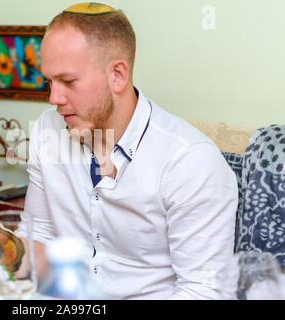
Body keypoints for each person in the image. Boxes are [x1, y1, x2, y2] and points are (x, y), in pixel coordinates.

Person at [20, 3, 238, 299]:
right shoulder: (48, 129)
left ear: (118, 75)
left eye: (68, 82)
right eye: (49, 81)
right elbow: (40, 235)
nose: (54, 98)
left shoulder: (191, 161)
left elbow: (203, 291)